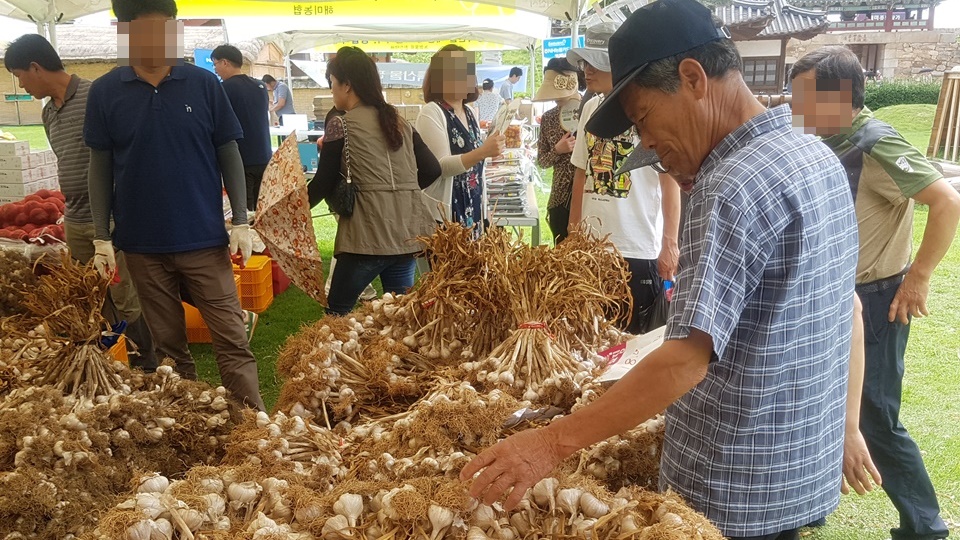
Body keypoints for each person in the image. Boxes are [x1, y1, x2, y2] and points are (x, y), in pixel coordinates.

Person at [461, 2, 860, 539]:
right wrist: (849, 429)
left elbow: (683, 362)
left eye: (644, 118)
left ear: (693, 78)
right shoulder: (816, 156)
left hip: (731, 494)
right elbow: (849, 310)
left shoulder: (730, 185)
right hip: (799, 474)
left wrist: (550, 443)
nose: (646, 143)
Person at [791, 45, 960, 540]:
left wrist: (919, 276)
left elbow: (946, 201)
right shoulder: (830, 137)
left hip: (877, 301)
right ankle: (810, 505)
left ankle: (925, 527)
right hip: (835, 298)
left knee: (876, 419)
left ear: (838, 98)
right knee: (818, 405)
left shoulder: (876, 143)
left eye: (803, 99)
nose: (795, 109)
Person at [84, 0, 265, 411]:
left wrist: (240, 219)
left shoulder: (203, 84)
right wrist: (100, 235)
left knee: (231, 339)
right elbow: (100, 166)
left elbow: (228, 151)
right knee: (170, 350)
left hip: (202, 239)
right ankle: (191, 427)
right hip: (142, 246)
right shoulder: (106, 91)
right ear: (126, 34)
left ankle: (254, 426)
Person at [3, 33, 158, 373]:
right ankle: (113, 358)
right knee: (91, 294)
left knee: (125, 294)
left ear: (35, 67)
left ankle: (147, 361)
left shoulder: (96, 96)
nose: (21, 85)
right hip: (74, 219)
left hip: (112, 218)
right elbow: (66, 158)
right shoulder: (48, 113)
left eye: (19, 75)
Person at [307, 47, 442, 316]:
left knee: (336, 317)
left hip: (364, 237)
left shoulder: (340, 125)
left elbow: (321, 183)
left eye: (332, 84)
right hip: (407, 235)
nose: (332, 91)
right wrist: (403, 192)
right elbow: (432, 169)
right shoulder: (400, 122)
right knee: (399, 319)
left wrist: (287, 212)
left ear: (347, 85)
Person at [566, 22, 681, 334]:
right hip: (592, 248)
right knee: (590, 337)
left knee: (632, 340)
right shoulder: (589, 107)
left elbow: (669, 180)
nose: (586, 70)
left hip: (637, 245)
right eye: (583, 62)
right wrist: (574, 233)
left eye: (595, 61)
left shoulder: (645, 108)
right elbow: (581, 171)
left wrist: (669, 242)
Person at [415, 45, 505, 236]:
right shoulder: (432, 112)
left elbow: (475, 165)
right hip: (447, 216)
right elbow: (441, 167)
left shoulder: (470, 112)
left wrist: (486, 207)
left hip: (473, 209)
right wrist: (483, 151)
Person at [211, 44, 273, 212]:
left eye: (215, 64)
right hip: (265, 157)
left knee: (244, 213)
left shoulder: (223, 89)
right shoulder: (260, 87)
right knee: (262, 212)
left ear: (225, 62)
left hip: (240, 161)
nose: (215, 69)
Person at [533, 58, 582, 244]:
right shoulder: (549, 118)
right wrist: (557, 150)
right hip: (560, 198)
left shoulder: (592, 111)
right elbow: (542, 161)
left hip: (589, 198)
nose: (556, 98)